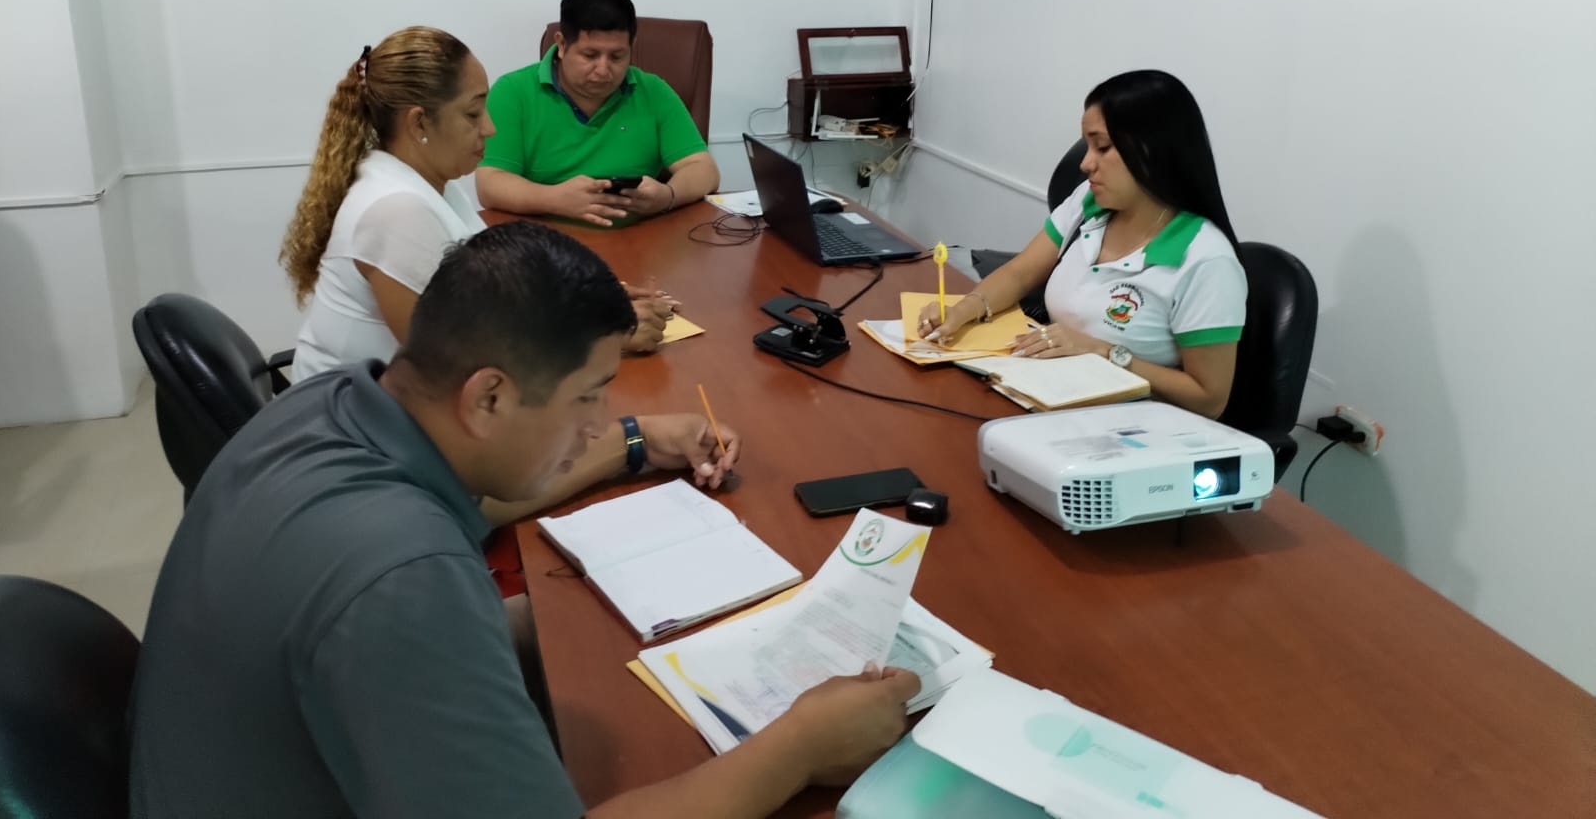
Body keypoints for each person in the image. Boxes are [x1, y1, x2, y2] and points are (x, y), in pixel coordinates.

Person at [130, 222, 916, 819]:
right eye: (588, 396)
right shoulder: (400, 575)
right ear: (489, 397)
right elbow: (404, 611)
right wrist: (800, 747)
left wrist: (566, 610)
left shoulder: (330, 403)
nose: (596, 422)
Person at [281, 26, 674, 367]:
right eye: (473, 114)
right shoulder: (397, 211)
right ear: (419, 123)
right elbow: (458, 361)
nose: (489, 128)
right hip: (363, 422)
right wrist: (605, 337)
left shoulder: (430, 182)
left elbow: (484, 293)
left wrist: (583, 299)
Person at [922, 70, 1246, 418]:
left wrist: (1103, 352)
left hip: (1126, 424)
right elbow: (1020, 273)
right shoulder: (1089, 204)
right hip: (1045, 393)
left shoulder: (1206, 261)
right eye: (1088, 146)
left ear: (1152, 150)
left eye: (1102, 147)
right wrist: (963, 310)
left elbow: (1209, 400)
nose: (1086, 163)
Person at [476, 0, 720, 226]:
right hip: (545, 238)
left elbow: (703, 169)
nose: (603, 70)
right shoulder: (513, 92)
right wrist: (553, 199)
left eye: (617, 56)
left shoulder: (653, 91)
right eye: (590, 55)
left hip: (638, 237)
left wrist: (668, 196)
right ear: (562, 44)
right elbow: (490, 183)